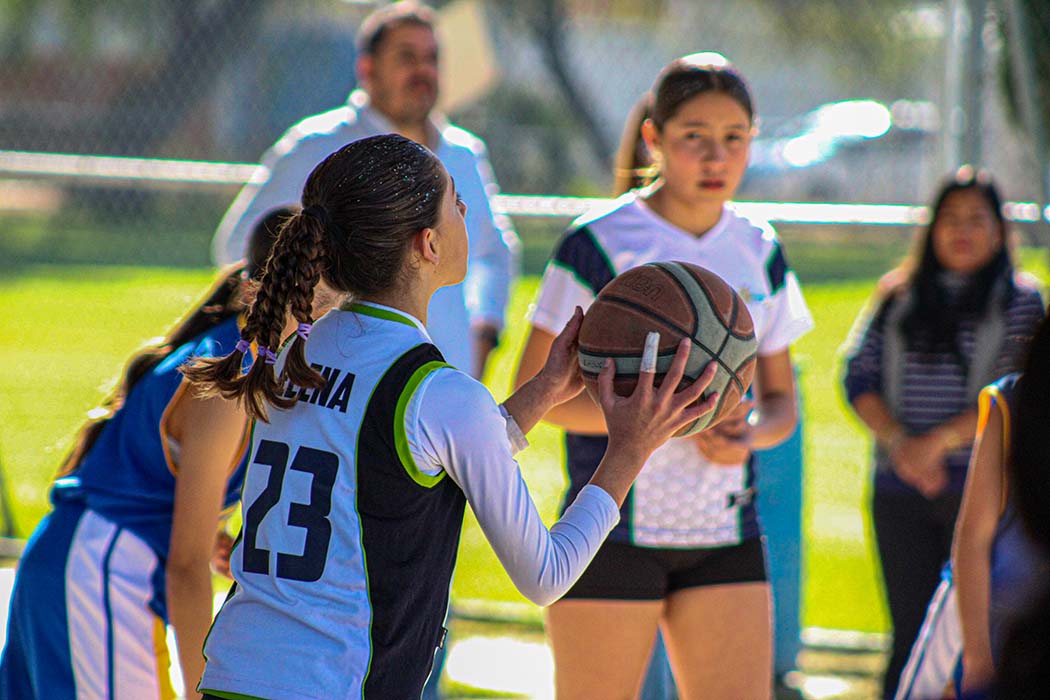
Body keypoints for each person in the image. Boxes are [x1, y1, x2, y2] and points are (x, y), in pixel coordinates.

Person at [184, 133, 720, 699]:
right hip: (332, 685)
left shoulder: (298, 349)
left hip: (234, 674)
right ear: (428, 244)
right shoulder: (438, 393)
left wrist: (543, 390)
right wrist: (630, 450)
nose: (466, 212)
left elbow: (417, 457)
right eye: (455, 202)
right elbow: (546, 574)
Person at [515, 53, 814, 699]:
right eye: (694, 137)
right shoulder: (598, 241)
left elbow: (782, 404)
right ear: (654, 137)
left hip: (726, 534)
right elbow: (539, 396)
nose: (715, 156)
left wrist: (748, 433)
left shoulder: (760, 247)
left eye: (734, 138)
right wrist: (653, 425)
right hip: (608, 528)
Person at [0, 210, 294, 699]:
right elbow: (186, 568)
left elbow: (159, 488)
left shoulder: (240, 349)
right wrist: (204, 690)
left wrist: (208, 532)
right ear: (254, 291)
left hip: (83, 563)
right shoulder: (236, 375)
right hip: (102, 572)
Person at [211, 0, 517, 380]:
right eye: (406, 57)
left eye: (431, 58)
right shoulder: (317, 145)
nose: (423, 71)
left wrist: (484, 336)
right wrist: (312, 311)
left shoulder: (464, 154)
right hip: (340, 385)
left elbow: (494, 254)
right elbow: (240, 245)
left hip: (445, 377)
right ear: (367, 69)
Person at [842, 166, 1044, 698]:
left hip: (981, 491)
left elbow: (1018, 396)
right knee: (910, 633)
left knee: (980, 633)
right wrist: (901, 446)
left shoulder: (1022, 302)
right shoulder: (897, 296)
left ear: (1000, 231)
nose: (962, 230)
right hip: (900, 487)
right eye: (950, 218)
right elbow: (857, 376)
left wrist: (937, 444)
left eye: (977, 219)